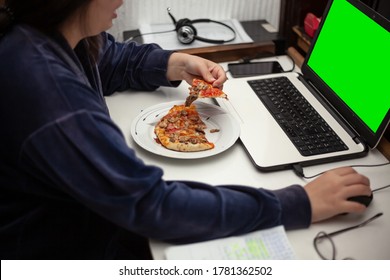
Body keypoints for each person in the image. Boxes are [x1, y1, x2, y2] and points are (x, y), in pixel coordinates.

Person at [0, 0, 372, 259]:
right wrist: (298, 203)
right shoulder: (50, 94)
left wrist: (172, 63)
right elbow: (153, 205)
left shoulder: (44, 34)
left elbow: (109, 59)